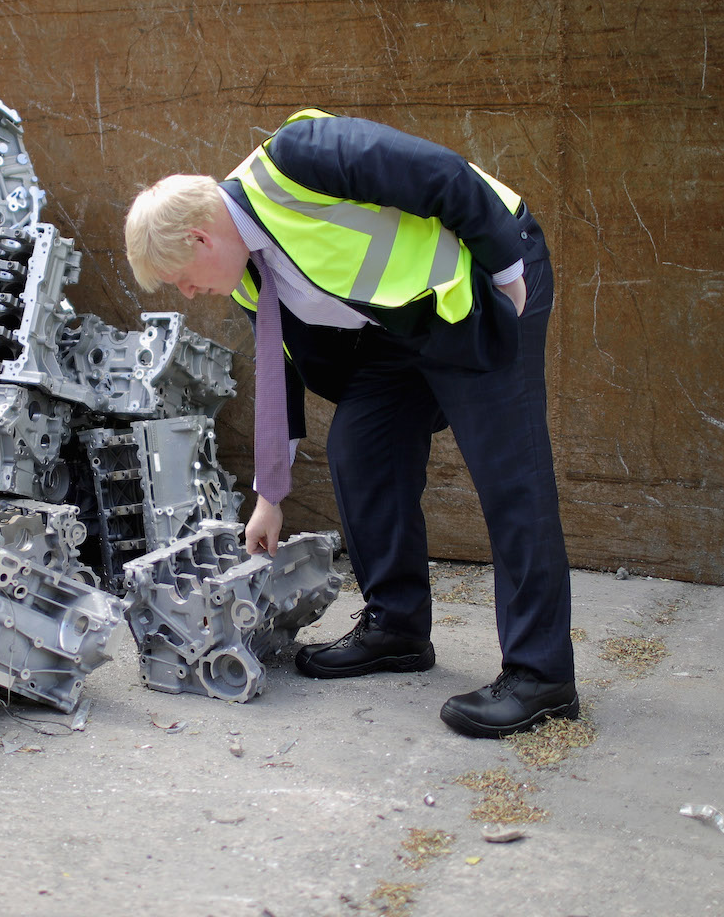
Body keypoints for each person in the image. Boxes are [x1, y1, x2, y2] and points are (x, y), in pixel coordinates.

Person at [124, 108, 577, 738]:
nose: (189, 294)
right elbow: (277, 379)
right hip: (402, 327)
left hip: (486, 278)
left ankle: (541, 675)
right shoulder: (249, 276)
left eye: (181, 280)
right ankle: (397, 627)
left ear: (201, 237)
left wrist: (507, 268)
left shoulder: (299, 158)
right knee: (362, 448)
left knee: (510, 475)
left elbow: (441, 173)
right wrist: (269, 498)